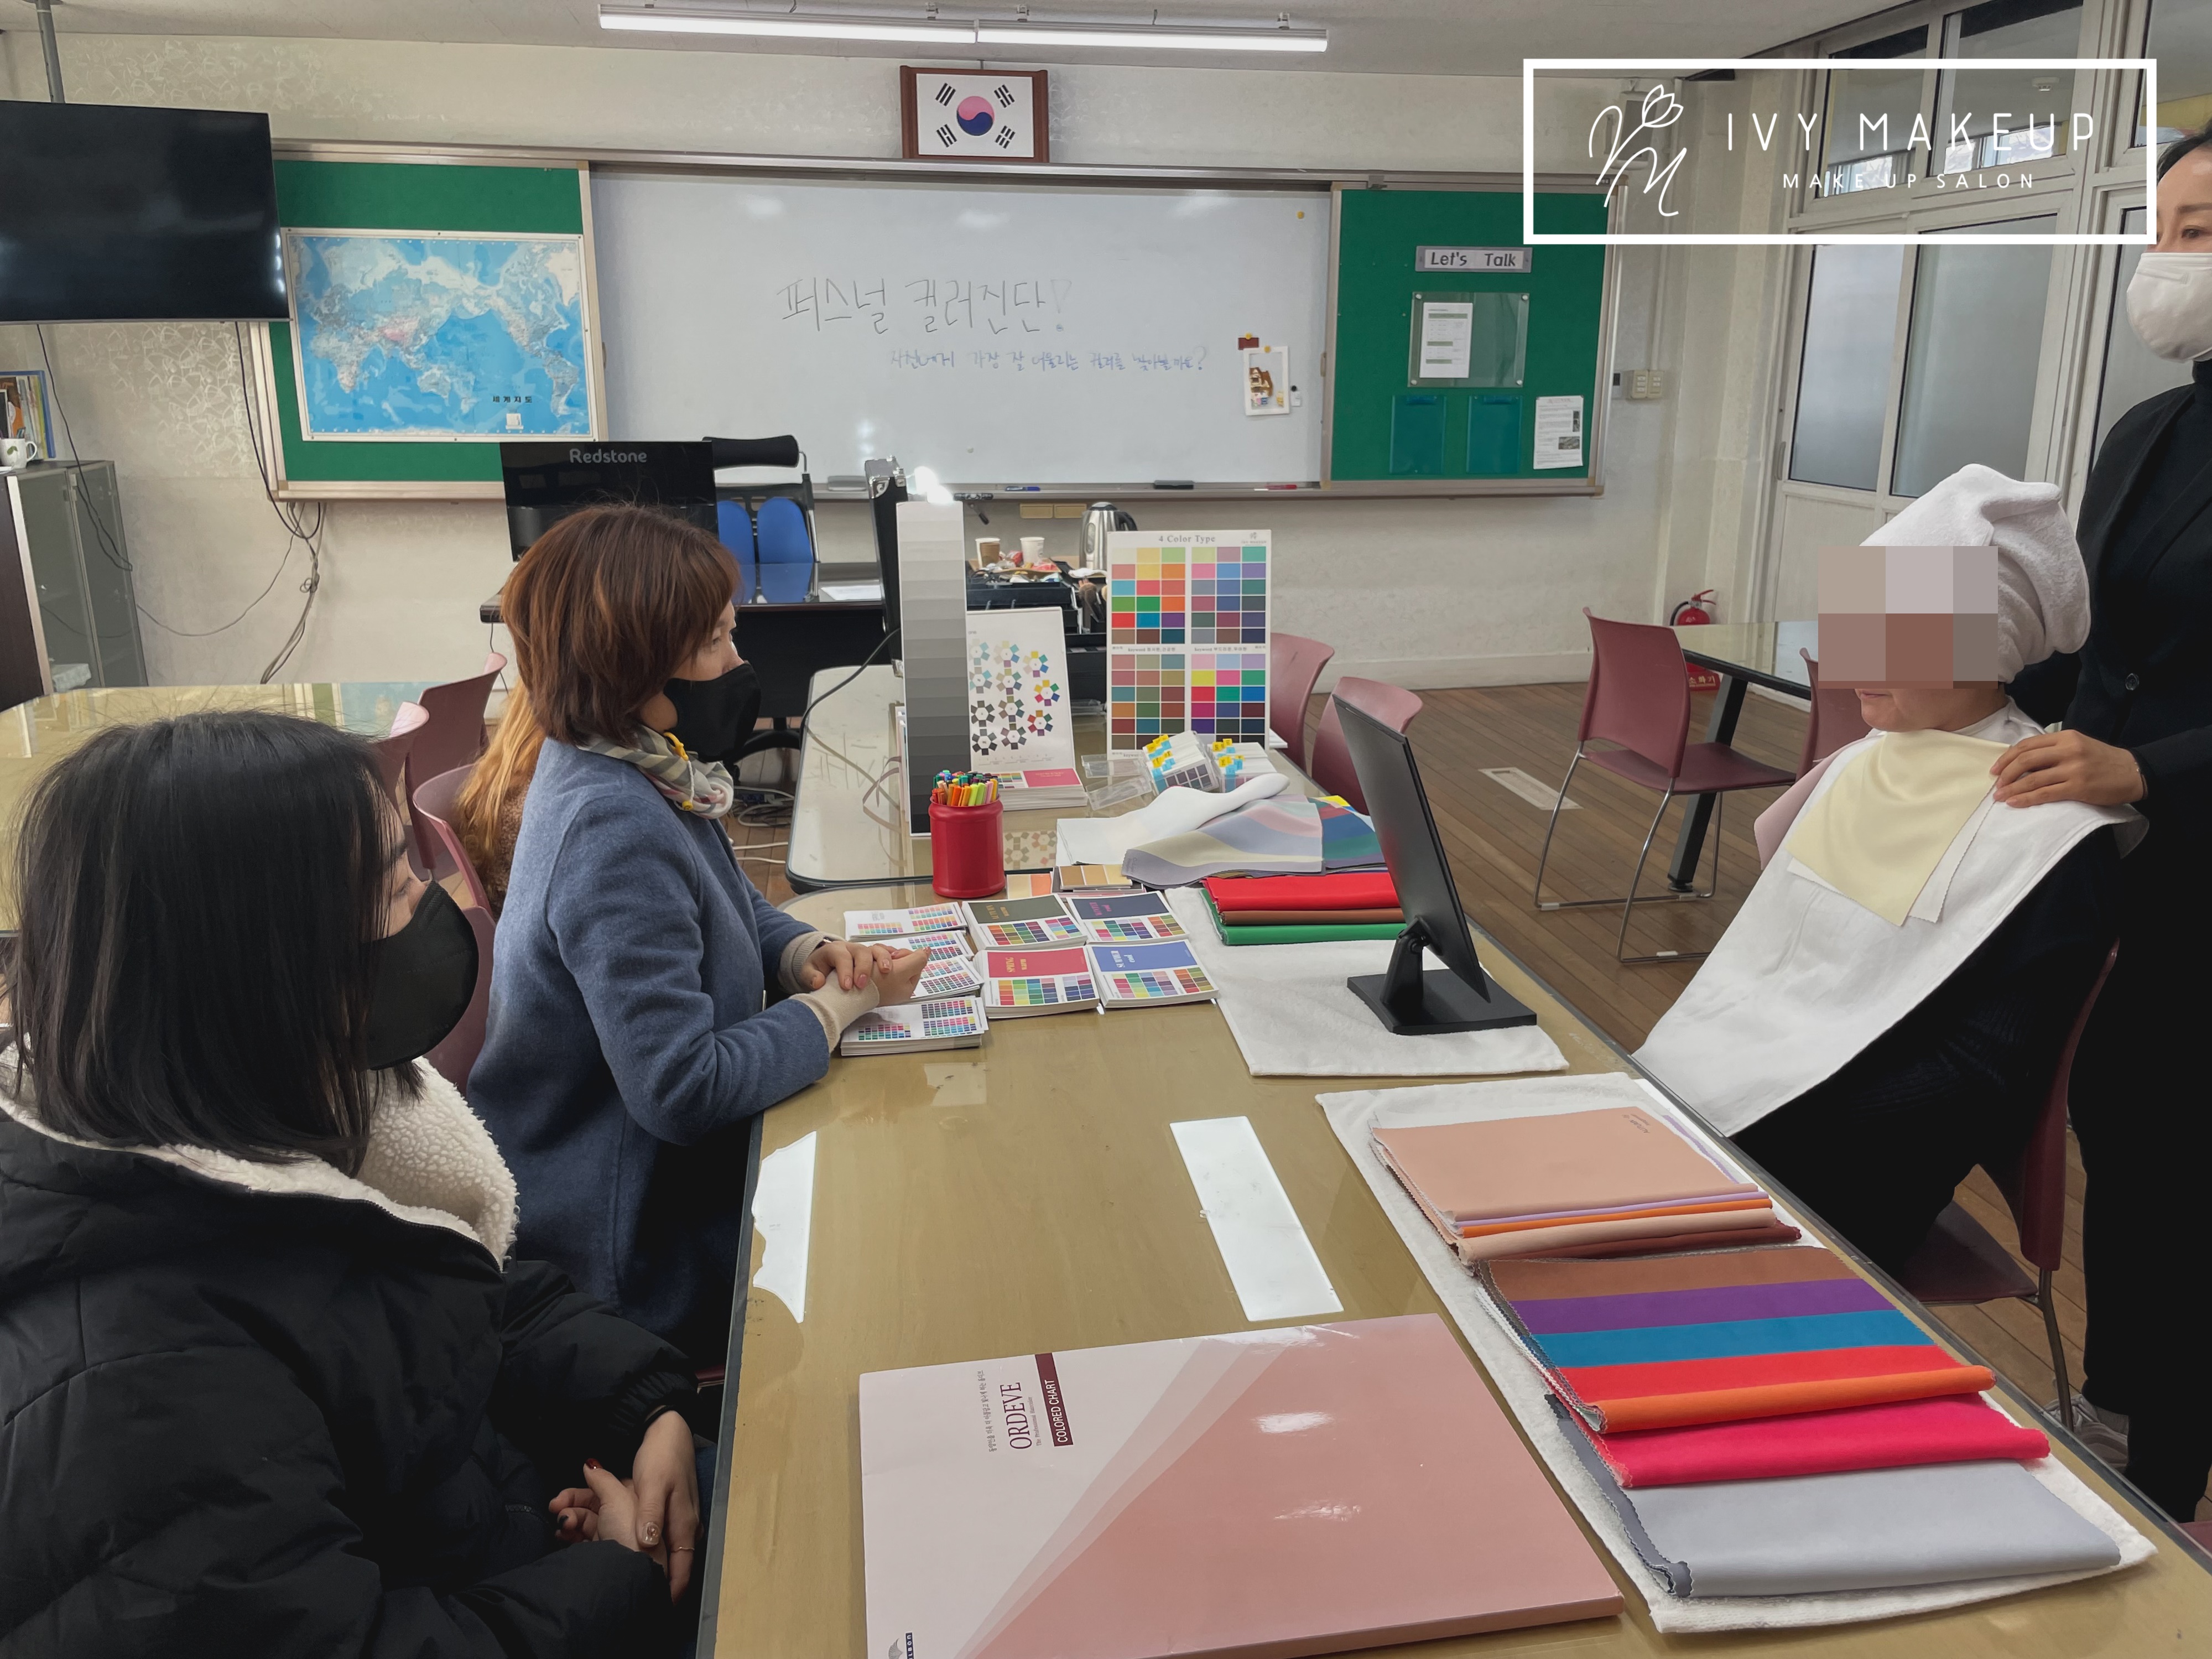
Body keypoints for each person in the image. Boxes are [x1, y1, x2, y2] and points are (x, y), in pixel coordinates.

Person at [0, 710, 702, 1656]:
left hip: (520, 1539)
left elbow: (462, 1291)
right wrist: (613, 1574)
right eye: (396, 882)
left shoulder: (271, 1118)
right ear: (260, 964)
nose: (432, 900)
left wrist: (642, 1406)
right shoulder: (143, 1388)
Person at [1637, 466, 2133, 1278]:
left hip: (1857, 1168)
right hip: (1732, 1096)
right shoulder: (1861, 765)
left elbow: (1976, 1078)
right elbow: (1773, 966)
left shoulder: (2053, 835)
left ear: (1986, 649)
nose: (1849, 661)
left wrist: (1744, 1132)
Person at [469, 506, 926, 1364]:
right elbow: (681, 1091)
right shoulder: (611, 825)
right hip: (633, 1241)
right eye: (715, 642)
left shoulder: (634, 763)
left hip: (657, 1178)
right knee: (897, 1248)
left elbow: (727, 901)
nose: (738, 661)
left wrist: (803, 953)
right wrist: (837, 1011)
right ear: (632, 662)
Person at [1997, 127, 2212, 1520]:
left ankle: (2170, 1463)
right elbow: (2082, 645)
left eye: (2195, 231)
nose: (2162, 260)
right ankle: (2125, 1396)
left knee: (2186, 1159)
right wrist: (1933, 669)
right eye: (2161, 227)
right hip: (2118, 867)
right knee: (2124, 1130)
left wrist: (2147, 769)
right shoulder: (2151, 429)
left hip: (2189, 835)